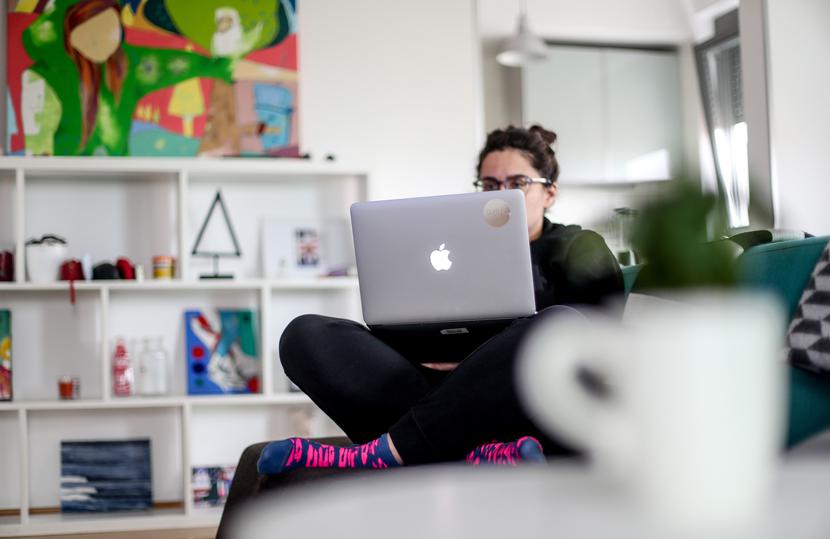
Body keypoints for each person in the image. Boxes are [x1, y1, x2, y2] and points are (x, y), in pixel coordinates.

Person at [258, 125, 624, 474]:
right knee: (304, 335)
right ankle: (479, 453)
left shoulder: (580, 247)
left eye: (518, 184)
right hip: (436, 390)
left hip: (523, 402)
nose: (501, 196)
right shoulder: (454, 250)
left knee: (558, 325)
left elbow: (594, 345)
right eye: (490, 185)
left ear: (550, 193)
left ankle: (389, 451)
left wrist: (481, 361)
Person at [22, 0, 294, 155]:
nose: (101, 40)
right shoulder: (47, 76)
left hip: (117, 171)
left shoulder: (127, 67)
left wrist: (214, 65)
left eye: (109, 29)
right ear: (70, 34)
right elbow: (36, 142)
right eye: (90, 31)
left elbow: (176, 65)